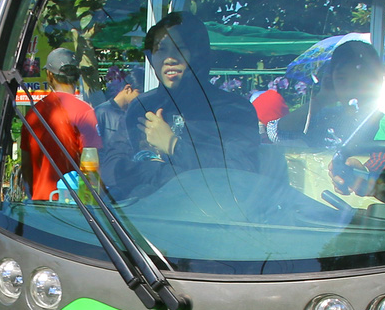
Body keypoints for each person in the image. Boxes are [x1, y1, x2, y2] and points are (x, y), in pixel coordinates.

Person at [102, 12, 260, 198]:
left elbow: (241, 175)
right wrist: (161, 172)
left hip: (207, 221)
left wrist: (173, 146)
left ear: (198, 54)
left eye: (180, 48)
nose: (169, 58)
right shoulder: (142, 107)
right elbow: (112, 167)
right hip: (141, 220)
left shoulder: (232, 110)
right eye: (160, 50)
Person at [22, 47, 100, 199]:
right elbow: (93, 167)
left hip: (40, 205)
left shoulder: (33, 113)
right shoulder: (84, 111)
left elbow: (26, 164)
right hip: (73, 206)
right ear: (77, 76)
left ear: (49, 75)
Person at [285, 37, 383, 147]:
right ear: (331, 81)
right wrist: (321, 99)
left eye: (358, 79)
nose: (349, 87)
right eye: (341, 78)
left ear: (375, 81)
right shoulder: (325, 118)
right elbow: (278, 132)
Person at [94, 72, 141, 155]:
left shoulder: (134, 114)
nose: (141, 99)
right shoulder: (101, 112)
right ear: (128, 89)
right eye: (139, 94)